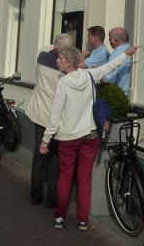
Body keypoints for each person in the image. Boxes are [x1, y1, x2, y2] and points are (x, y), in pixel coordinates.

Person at [39, 43, 138, 231]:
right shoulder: (90, 75)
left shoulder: (63, 83)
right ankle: (83, 220)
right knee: (84, 177)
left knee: (65, 176)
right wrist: (126, 53)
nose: (57, 61)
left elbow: (55, 114)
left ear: (69, 63)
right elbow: (110, 66)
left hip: (68, 137)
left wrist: (46, 139)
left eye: (60, 58)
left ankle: (60, 216)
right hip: (91, 135)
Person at [26, 33, 73, 208]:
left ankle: (35, 195)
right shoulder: (66, 69)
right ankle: (51, 198)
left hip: (40, 115)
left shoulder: (42, 57)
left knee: (39, 156)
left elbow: (47, 48)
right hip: (57, 118)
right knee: (54, 158)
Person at [103, 27, 132, 95]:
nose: (110, 42)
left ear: (114, 41)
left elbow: (108, 80)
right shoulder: (134, 50)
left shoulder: (116, 54)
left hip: (121, 98)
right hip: (135, 98)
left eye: (110, 39)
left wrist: (97, 73)